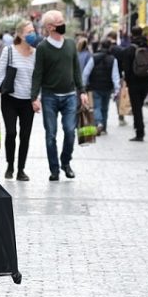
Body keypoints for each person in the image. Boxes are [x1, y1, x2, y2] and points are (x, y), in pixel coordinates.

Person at [30, 10, 88, 181]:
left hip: (70, 95)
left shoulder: (70, 44)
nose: (63, 24)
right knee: (51, 135)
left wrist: (82, 91)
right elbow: (37, 73)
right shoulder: (42, 48)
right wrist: (34, 98)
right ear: (50, 27)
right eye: (59, 22)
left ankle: (66, 162)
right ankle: (54, 169)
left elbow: (77, 70)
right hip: (49, 96)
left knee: (70, 131)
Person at [0, 19, 36, 181]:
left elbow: (38, 79)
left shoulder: (36, 54)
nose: (32, 34)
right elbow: (0, 72)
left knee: (25, 135)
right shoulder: (9, 51)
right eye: (29, 32)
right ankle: (10, 165)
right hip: (10, 98)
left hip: (28, 101)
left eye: (33, 31)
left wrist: (38, 98)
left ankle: (21, 169)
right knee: (11, 132)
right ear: (20, 34)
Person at [82, 39, 121, 135]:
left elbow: (86, 73)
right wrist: (117, 89)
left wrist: (83, 85)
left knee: (96, 106)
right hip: (107, 87)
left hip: (95, 86)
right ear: (110, 47)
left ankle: (98, 123)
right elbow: (115, 76)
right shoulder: (113, 59)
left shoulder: (94, 57)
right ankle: (104, 128)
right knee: (105, 107)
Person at [122, 26, 148, 141]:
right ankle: (138, 128)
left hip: (134, 83)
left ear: (132, 34)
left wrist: (128, 81)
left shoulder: (129, 49)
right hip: (145, 81)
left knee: (136, 108)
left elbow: (126, 68)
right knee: (139, 106)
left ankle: (140, 132)